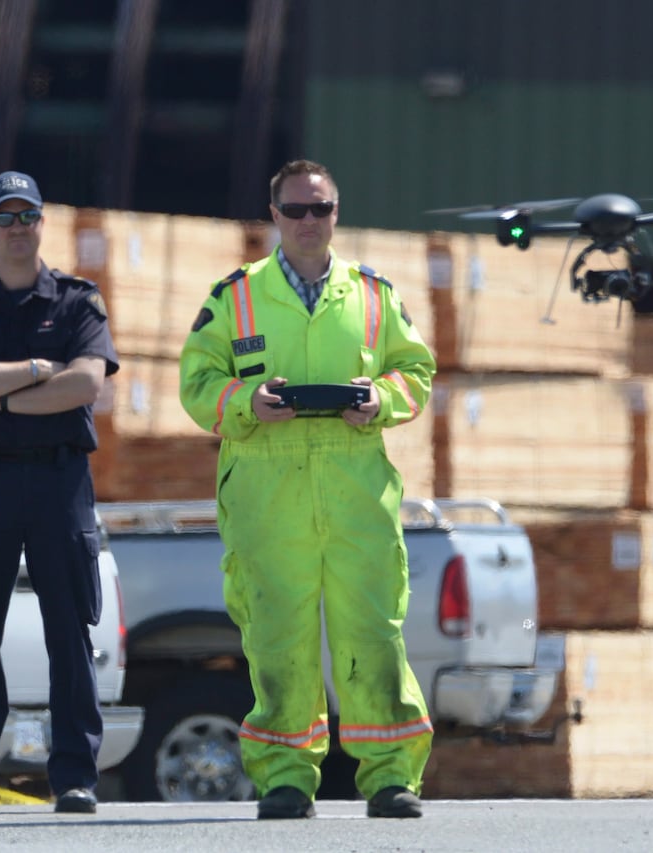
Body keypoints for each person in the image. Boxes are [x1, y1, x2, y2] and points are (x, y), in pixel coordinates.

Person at [178, 159, 436, 820]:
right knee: (277, 637)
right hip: (269, 492)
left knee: (374, 633)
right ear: (274, 217)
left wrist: (377, 400)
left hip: (354, 490)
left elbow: (416, 371)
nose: (308, 222)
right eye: (295, 210)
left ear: (336, 213)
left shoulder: (373, 294)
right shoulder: (234, 297)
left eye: (319, 209)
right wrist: (244, 401)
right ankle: (287, 778)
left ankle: (389, 776)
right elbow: (196, 382)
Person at [0, 170, 119, 814]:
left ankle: (74, 776)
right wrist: (39, 373)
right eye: (4, 217)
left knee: (68, 628)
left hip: (58, 478)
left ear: (44, 222)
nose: (17, 229)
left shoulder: (77, 302)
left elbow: (86, 384)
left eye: (27, 216)